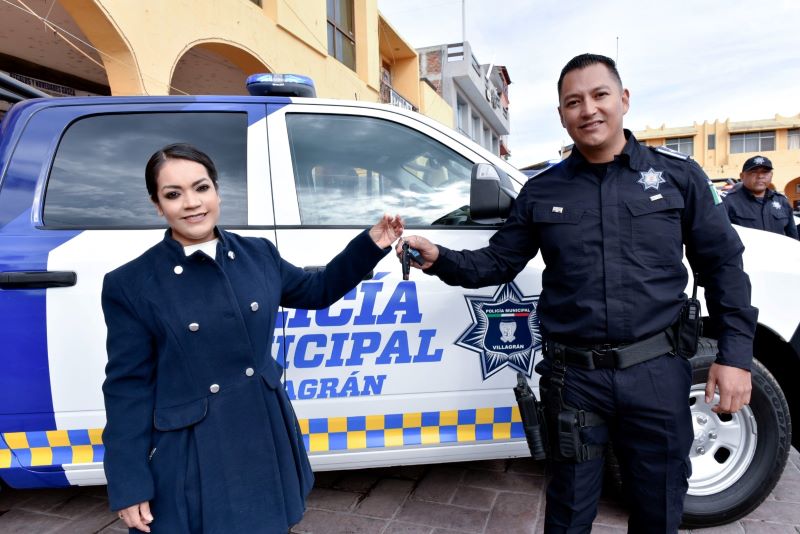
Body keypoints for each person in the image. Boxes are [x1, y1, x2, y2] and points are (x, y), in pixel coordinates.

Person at [399, 54, 757, 532]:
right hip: (574, 381)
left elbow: (723, 267)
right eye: (573, 102)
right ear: (561, 114)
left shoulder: (678, 178)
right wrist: (440, 257)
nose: (588, 109)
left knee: (660, 511)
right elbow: (499, 261)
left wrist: (735, 356)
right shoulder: (542, 191)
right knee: (567, 514)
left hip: (656, 372)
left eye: (599, 95)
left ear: (623, 100)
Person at [101, 143, 404, 533]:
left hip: (263, 429)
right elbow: (127, 388)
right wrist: (129, 483)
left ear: (217, 191)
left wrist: (370, 245)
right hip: (194, 448)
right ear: (158, 205)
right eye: (173, 194)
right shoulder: (131, 283)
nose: (192, 203)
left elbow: (317, 290)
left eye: (201, 187)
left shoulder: (257, 254)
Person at [723, 155, 799, 239]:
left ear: (771, 175)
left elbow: (793, 237)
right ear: (742, 176)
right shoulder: (728, 202)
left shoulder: (782, 201)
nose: (760, 176)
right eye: (754, 172)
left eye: (765, 172)